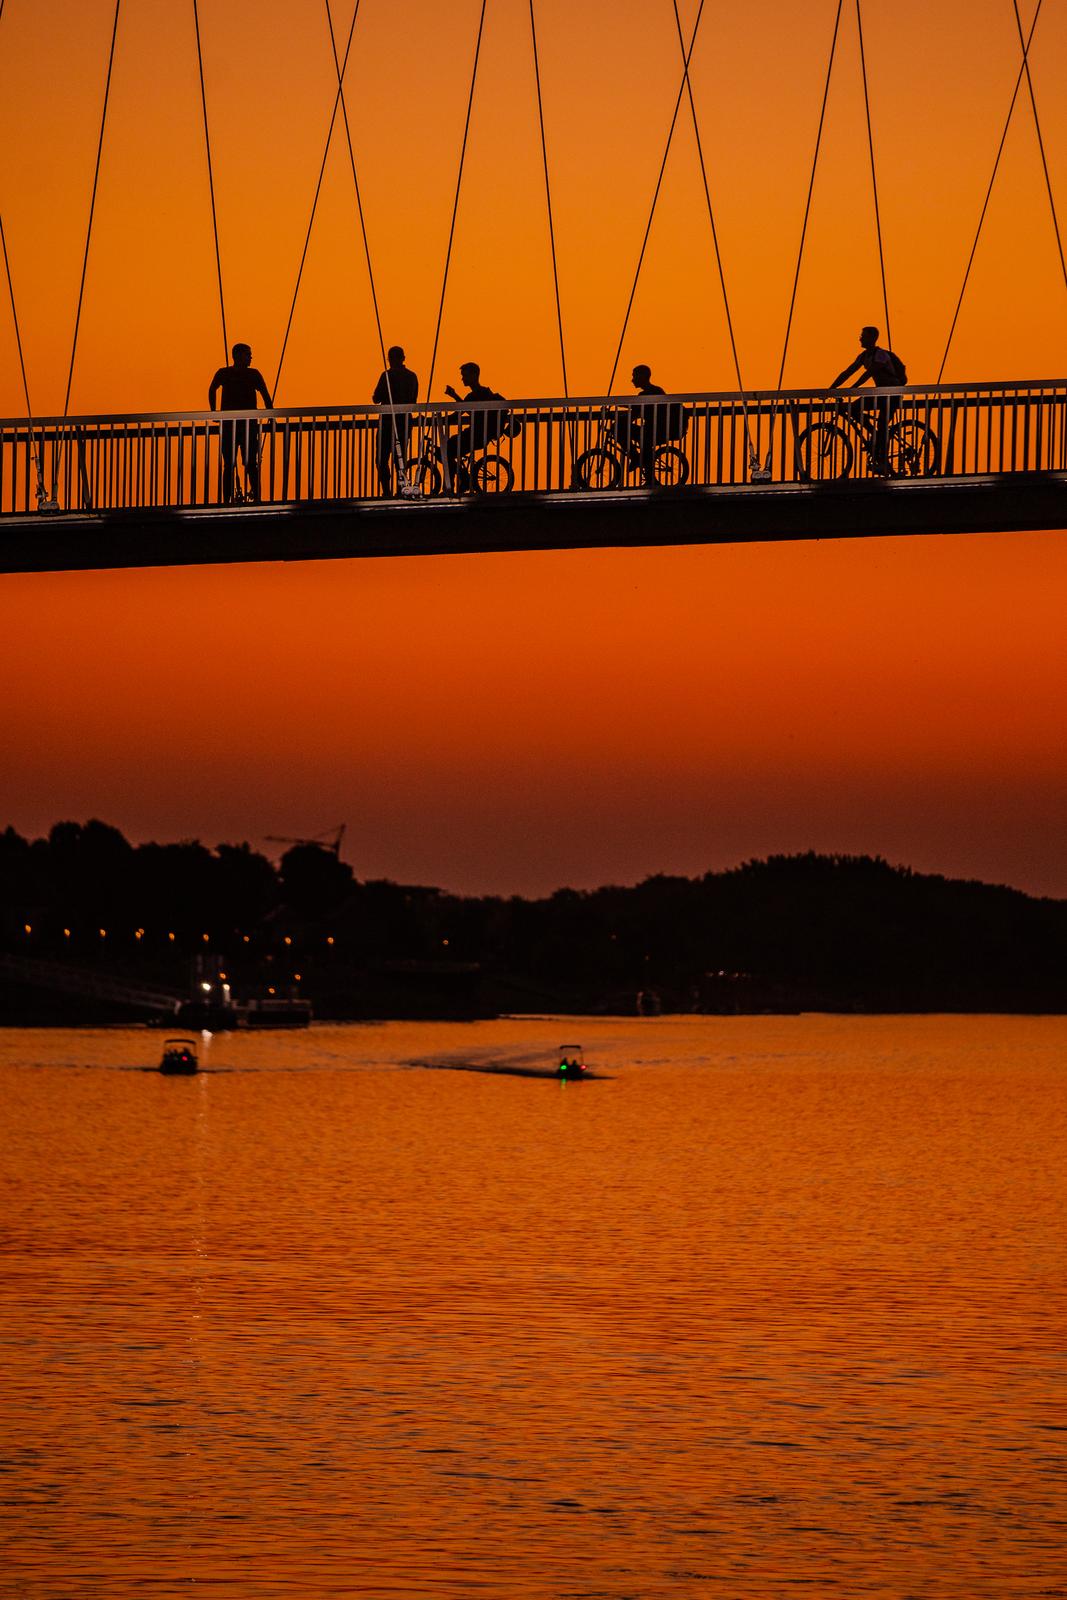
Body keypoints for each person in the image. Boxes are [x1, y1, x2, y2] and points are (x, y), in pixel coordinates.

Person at [829, 326, 907, 473]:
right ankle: (874, 434)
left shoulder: (881, 355)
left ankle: (883, 460)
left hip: (893, 393)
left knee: (883, 424)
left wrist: (852, 389)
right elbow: (848, 372)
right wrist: (832, 388)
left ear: (872, 338)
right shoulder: (864, 356)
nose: (860, 338)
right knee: (854, 408)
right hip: (881, 394)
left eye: (863, 336)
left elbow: (869, 373)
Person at [208, 343, 273, 503]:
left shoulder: (225, 373)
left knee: (234, 465)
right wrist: (271, 415)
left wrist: (214, 412)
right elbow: (265, 395)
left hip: (234, 426)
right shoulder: (250, 374)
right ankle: (254, 498)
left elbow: (212, 390)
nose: (251, 357)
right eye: (247, 354)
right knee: (246, 464)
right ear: (237, 356)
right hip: (246, 426)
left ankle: (228, 500)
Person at [443, 362, 505, 491]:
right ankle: (464, 477)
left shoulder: (477, 395)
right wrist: (454, 395)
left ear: (474, 375)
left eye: (464, 375)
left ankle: (462, 480)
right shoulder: (484, 393)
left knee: (446, 450)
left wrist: (439, 419)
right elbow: (465, 408)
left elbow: (459, 413)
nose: (462, 379)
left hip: (476, 435)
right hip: (478, 435)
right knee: (450, 448)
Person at [373, 346, 419, 495]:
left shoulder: (386, 375)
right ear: (403, 358)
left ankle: (386, 491)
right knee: (399, 459)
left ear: (389, 359)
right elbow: (413, 400)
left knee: (381, 459)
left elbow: (376, 398)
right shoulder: (412, 376)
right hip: (405, 423)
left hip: (387, 422)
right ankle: (401, 489)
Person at [614, 365, 668, 486]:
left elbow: (635, 413)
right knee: (643, 443)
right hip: (653, 429)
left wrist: (621, 417)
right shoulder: (655, 391)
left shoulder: (649, 393)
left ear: (642, 376)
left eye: (634, 376)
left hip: (657, 430)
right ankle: (647, 475)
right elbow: (636, 412)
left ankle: (635, 458)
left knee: (618, 428)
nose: (632, 379)